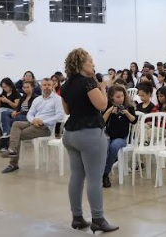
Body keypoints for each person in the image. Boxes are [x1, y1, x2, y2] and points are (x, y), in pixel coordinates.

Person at [60, 48, 117, 233]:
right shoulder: (87, 83)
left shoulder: (66, 85)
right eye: (90, 61)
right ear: (81, 64)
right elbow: (102, 105)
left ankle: (77, 217)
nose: (93, 64)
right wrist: (101, 87)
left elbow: (67, 111)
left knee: (76, 176)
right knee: (94, 178)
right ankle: (98, 219)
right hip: (90, 133)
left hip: (70, 134)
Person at [1, 78, 65, 173]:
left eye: (49, 85)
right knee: (16, 124)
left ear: (52, 86)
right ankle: (12, 150)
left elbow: (60, 116)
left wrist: (43, 121)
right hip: (33, 122)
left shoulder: (57, 99)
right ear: (41, 86)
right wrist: (33, 120)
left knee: (17, 135)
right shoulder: (37, 99)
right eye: (44, 85)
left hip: (46, 127)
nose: (46, 87)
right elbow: (29, 114)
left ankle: (13, 163)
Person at [102, 85, 137, 188]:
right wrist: (109, 112)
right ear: (112, 97)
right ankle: (99, 171)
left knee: (114, 146)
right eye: (118, 97)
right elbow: (102, 122)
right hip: (109, 135)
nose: (121, 98)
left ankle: (105, 174)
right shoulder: (108, 106)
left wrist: (127, 113)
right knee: (104, 146)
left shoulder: (129, 106)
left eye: (122, 96)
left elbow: (134, 121)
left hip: (122, 137)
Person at [0, 80, 37, 152]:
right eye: (24, 87)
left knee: (10, 121)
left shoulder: (35, 98)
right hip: (20, 114)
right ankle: (6, 133)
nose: (26, 89)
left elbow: (31, 111)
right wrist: (15, 111)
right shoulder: (23, 97)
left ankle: (6, 141)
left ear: (32, 87)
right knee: (4, 113)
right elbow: (18, 107)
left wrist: (18, 112)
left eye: (27, 87)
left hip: (28, 116)